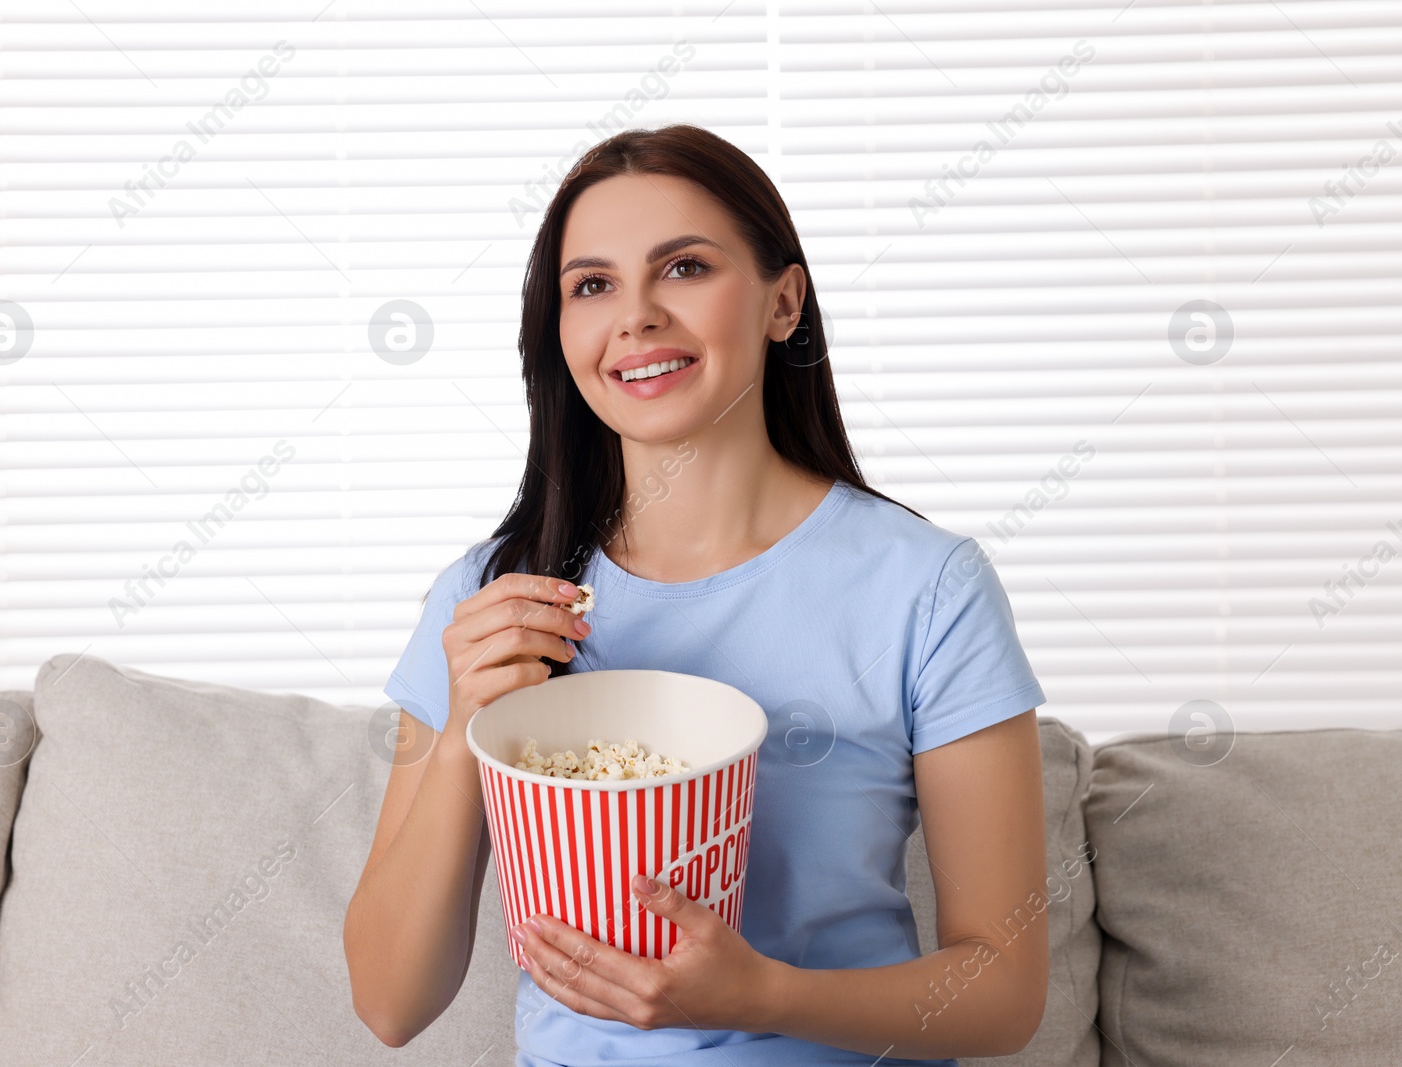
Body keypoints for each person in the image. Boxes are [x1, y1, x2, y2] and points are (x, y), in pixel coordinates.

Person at [345, 123, 1049, 1065]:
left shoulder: (927, 589)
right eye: (592, 285)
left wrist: (765, 994)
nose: (634, 317)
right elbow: (391, 1002)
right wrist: (466, 727)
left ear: (783, 302)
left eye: (682, 268)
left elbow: (1002, 993)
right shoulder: (488, 598)